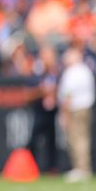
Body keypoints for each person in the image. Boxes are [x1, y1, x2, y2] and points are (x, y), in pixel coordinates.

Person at [57, 46, 96, 183]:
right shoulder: (86, 70)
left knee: (76, 139)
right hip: (86, 107)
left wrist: (64, 114)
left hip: (75, 109)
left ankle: (81, 168)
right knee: (83, 138)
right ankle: (83, 167)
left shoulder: (72, 72)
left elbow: (67, 96)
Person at [25, 45, 59, 173]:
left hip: (52, 113)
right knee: (34, 140)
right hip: (39, 112)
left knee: (52, 142)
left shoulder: (57, 73)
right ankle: (31, 166)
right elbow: (27, 95)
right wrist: (42, 91)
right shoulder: (36, 73)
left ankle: (52, 168)